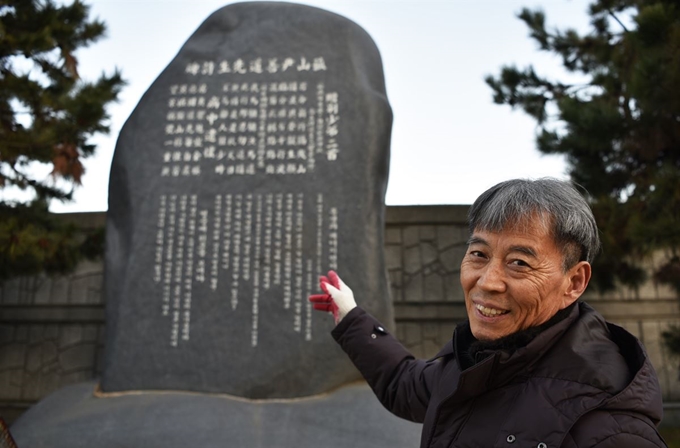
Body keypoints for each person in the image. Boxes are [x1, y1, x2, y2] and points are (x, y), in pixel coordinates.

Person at [309, 178, 667, 448]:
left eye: (519, 263)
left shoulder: (609, 424)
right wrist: (352, 318)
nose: (487, 282)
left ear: (573, 281)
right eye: (479, 255)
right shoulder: (474, 361)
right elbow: (405, 384)